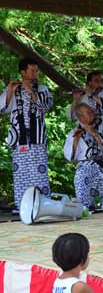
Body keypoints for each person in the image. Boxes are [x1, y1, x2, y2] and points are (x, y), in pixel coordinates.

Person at [0, 57, 53, 213]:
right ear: (23, 72)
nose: (35, 73)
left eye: (36, 70)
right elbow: (2, 109)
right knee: (21, 171)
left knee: (40, 171)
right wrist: (10, 90)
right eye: (32, 70)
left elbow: (46, 106)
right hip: (19, 136)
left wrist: (31, 91)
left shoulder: (42, 89)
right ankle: (21, 205)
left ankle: (43, 204)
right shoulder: (13, 88)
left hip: (37, 136)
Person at [64, 103, 103, 211]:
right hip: (85, 164)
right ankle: (86, 206)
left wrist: (95, 134)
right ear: (81, 117)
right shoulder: (73, 133)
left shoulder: (102, 129)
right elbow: (71, 158)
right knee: (80, 176)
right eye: (89, 113)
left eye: (92, 111)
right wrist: (75, 141)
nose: (93, 114)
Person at [68, 71, 103, 140]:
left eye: (102, 80)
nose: (100, 83)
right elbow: (71, 117)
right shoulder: (83, 97)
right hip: (83, 136)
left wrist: (90, 94)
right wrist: (75, 99)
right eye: (97, 81)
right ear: (89, 83)